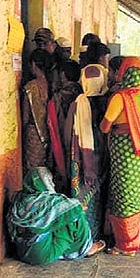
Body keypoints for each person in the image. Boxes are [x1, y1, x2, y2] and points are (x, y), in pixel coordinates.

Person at [100, 57, 140, 256]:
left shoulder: (120, 97)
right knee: (135, 195)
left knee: (123, 195)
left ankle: (125, 245)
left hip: (124, 155)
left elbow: (104, 127)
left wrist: (117, 127)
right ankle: (133, 240)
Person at [7, 167, 105, 265]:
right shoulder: (47, 201)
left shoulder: (19, 199)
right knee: (76, 216)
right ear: (44, 182)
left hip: (22, 253)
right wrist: (76, 208)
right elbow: (77, 207)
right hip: (41, 255)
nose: (53, 184)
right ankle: (86, 248)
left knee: (57, 219)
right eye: (50, 180)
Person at [68, 62, 109, 239]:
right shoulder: (109, 101)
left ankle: (84, 235)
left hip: (82, 157)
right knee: (103, 194)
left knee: (83, 196)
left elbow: (68, 131)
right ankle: (101, 232)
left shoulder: (78, 103)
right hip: (104, 156)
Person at [48, 59, 82, 192]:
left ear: (63, 74)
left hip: (61, 135)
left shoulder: (59, 96)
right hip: (79, 136)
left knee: (62, 163)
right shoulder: (83, 92)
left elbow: (51, 120)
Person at [22, 49, 52, 173]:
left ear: (34, 64)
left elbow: (25, 115)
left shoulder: (30, 87)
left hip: (34, 133)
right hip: (51, 132)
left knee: (33, 169)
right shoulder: (52, 84)